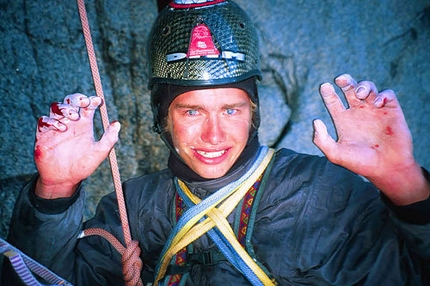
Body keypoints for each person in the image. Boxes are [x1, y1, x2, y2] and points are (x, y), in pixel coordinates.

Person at [3, 0, 430, 285]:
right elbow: (38, 279)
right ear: (162, 118)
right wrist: (54, 193)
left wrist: (405, 184)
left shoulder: (324, 194)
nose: (213, 136)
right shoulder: (131, 208)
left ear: (254, 112)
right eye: (191, 112)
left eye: (231, 110)